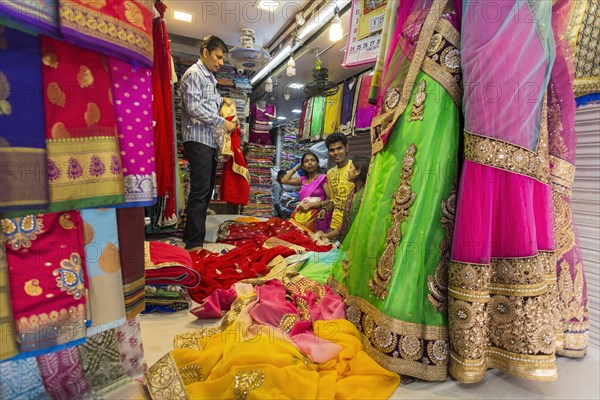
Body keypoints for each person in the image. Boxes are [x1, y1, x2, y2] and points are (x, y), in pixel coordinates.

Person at [329, 0, 462, 382]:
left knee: (422, 193)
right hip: (419, 67)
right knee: (402, 190)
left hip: (442, 68)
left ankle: (394, 314)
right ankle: (381, 312)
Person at [180, 35, 236, 251]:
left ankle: (196, 238)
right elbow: (194, 107)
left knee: (205, 190)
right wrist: (222, 122)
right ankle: (193, 243)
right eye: (218, 57)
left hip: (207, 141)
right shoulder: (194, 74)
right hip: (198, 140)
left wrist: (223, 101)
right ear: (205, 52)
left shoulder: (209, 79)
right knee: (200, 191)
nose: (221, 62)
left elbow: (206, 105)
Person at [314, 157, 369, 242]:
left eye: (350, 168)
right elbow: (344, 225)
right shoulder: (353, 193)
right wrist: (325, 235)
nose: (348, 171)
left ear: (358, 172)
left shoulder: (362, 197)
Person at [282, 152, 331, 233]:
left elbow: (330, 199)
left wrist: (313, 205)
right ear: (303, 166)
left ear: (317, 163)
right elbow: (284, 180)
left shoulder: (322, 179)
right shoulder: (303, 179)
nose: (310, 163)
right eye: (306, 161)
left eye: (312, 160)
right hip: (303, 216)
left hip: (317, 217)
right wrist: (297, 167)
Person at [322, 132, 354, 232]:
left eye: (339, 148)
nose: (336, 152)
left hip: (352, 226)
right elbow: (334, 200)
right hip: (334, 226)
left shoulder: (355, 169)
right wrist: (325, 209)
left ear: (346, 148)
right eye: (332, 150)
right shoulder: (330, 173)